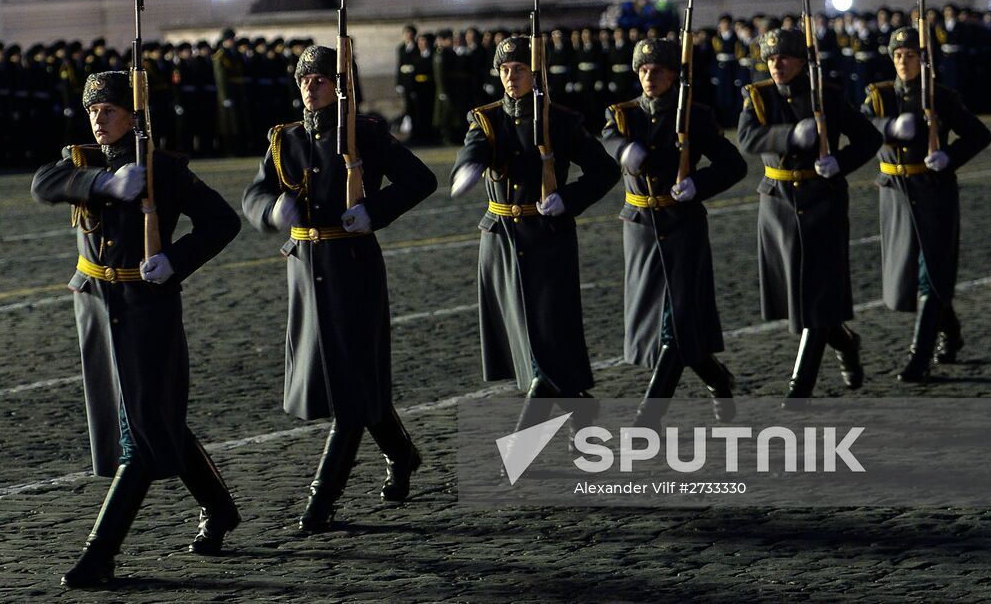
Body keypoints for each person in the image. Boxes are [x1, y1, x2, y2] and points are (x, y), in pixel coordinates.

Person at [31, 71, 242, 588]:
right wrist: (100, 183)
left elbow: (222, 221)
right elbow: (42, 184)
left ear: (133, 116)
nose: (98, 121)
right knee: (155, 417)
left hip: (147, 305)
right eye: (92, 112)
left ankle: (98, 554)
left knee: (140, 432)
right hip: (101, 306)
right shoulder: (85, 164)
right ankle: (219, 508)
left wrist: (175, 259)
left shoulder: (162, 170)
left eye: (108, 111)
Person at [241, 45, 438, 533]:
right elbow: (255, 193)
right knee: (349, 381)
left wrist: (375, 211)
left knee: (350, 389)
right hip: (306, 271)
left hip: (352, 266)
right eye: (304, 80)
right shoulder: (284, 138)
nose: (310, 87)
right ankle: (403, 454)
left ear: (340, 86)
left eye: (321, 80)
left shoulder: (364, 134)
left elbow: (420, 179)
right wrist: (271, 211)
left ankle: (321, 500)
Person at [449, 37, 619, 411]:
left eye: (519, 70)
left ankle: (519, 461)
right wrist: (468, 166)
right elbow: (476, 145)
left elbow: (605, 170)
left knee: (548, 343)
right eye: (505, 70)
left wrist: (568, 200)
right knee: (532, 343)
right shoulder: (487, 118)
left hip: (546, 238)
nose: (510, 77)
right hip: (502, 241)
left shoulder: (561, 120)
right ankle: (586, 425)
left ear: (536, 73)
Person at [601, 39, 748, 424]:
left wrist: (698, 184)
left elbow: (733, 165)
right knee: (663, 320)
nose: (650, 77)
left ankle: (648, 416)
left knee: (676, 318)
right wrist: (622, 150)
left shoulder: (693, 116)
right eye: (644, 70)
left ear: (674, 75)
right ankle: (717, 379)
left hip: (681, 225)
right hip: (641, 229)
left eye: (658, 70)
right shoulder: (624, 114)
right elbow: (609, 135)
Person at [738, 28, 881, 406]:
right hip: (779, 202)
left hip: (822, 200)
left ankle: (799, 386)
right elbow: (748, 139)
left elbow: (868, 139)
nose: (776, 65)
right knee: (799, 296)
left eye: (784, 58)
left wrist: (841, 163)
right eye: (770, 59)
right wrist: (788, 136)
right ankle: (846, 342)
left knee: (817, 292)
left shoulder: (825, 96)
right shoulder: (759, 96)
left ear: (802, 61)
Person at [863, 27, 991, 383]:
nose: (904, 62)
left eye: (911, 55)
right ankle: (951, 332)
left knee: (930, 269)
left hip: (932, 188)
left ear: (924, 61)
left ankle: (918, 356)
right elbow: (860, 128)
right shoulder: (879, 96)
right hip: (895, 191)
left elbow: (979, 134)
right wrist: (888, 126)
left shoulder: (941, 97)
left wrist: (949, 156)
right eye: (898, 56)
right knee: (912, 270)